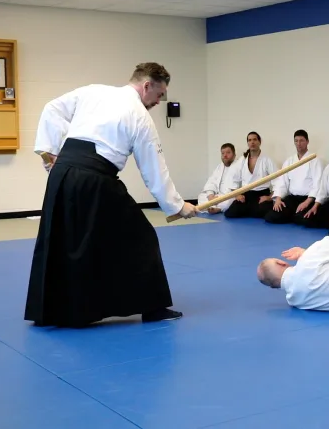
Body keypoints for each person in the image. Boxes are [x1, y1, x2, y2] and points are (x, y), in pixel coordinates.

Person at [26, 62, 198, 328]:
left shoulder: (94, 91)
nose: (160, 101)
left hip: (62, 174)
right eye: (159, 94)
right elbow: (154, 170)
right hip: (94, 179)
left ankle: (50, 311)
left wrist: (48, 151)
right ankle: (153, 307)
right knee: (141, 236)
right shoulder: (140, 116)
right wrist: (178, 206)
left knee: (62, 236)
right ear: (147, 86)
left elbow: (52, 108)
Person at [265, 130, 324, 224]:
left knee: (303, 219)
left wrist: (307, 202)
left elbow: (318, 184)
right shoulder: (289, 161)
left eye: (301, 140)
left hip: (307, 199)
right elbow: (282, 182)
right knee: (271, 216)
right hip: (292, 198)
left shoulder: (315, 160)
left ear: (307, 142)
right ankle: (291, 214)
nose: (299, 143)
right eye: (296, 141)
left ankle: (293, 215)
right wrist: (278, 199)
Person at [224, 131, 276, 219]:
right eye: (250, 140)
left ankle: (250, 210)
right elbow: (233, 180)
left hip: (261, 194)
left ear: (259, 142)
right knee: (230, 213)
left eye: (255, 139)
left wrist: (269, 197)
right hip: (246, 195)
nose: (252, 142)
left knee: (266, 212)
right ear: (247, 143)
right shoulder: (242, 160)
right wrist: (237, 195)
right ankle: (250, 210)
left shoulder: (267, 160)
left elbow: (277, 180)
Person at [197, 143, 238, 214]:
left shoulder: (239, 166)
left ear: (234, 155)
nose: (225, 155)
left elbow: (237, 187)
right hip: (217, 196)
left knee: (232, 200)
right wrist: (210, 195)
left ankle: (216, 208)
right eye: (223, 153)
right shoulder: (219, 167)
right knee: (201, 196)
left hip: (228, 196)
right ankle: (211, 206)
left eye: (228, 153)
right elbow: (211, 182)